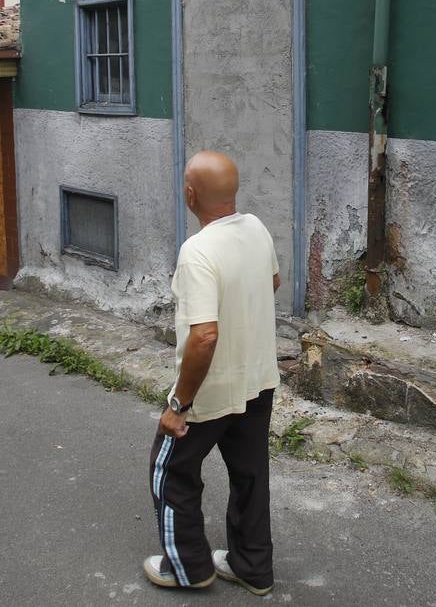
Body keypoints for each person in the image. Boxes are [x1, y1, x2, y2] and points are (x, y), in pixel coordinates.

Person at [143, 150, 281, 595]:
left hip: (210, 391)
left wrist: (178, 405)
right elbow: (272, 282)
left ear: (190, 195)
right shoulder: (256, 228)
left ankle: (189, 568)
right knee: (250, 475)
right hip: (258, 381)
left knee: (171, 470)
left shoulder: (197, 251)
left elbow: (204, 337)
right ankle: (252, 567)